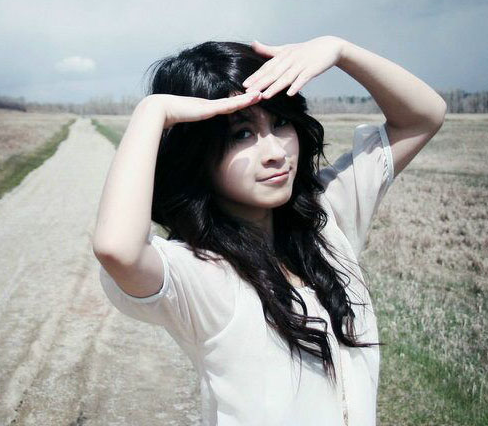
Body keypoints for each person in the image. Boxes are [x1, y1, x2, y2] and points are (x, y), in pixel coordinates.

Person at [92, 35, 446, 425]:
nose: (276, 152)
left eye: (280, 123)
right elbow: (117, 249)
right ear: (197, 154)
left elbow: (423, 117)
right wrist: (152, 111)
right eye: (241, 134)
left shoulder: (326, 217)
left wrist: (340, 50)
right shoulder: (201, 272)